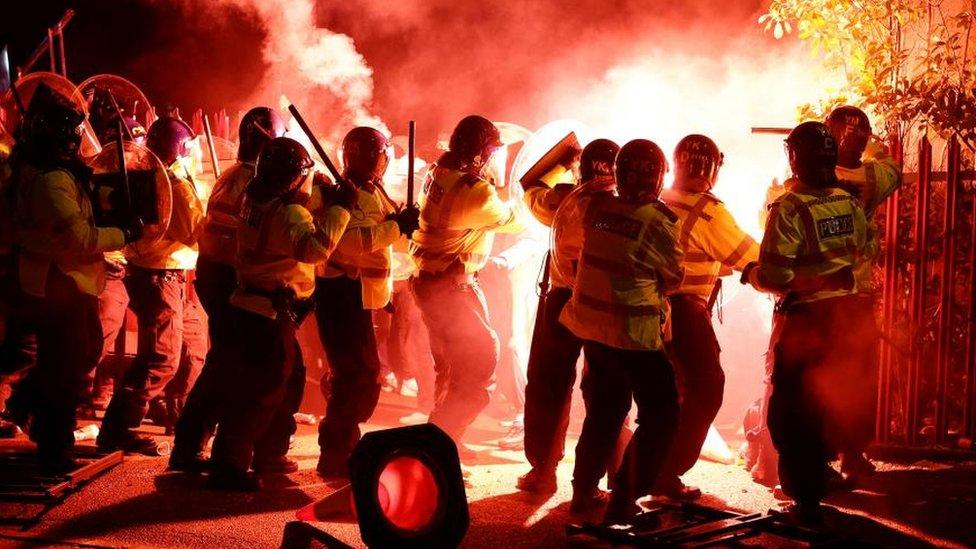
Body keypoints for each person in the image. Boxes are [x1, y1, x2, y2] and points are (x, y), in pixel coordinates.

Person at [7, 83, 140, 473]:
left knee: (79, 356)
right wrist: (124, 234)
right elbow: (78, 238)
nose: (76, 144)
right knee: (64, 373)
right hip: (57, 283)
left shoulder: (50, 172)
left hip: (66, 283)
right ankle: (54, 448)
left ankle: (27, 400)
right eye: (71, 136)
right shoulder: (49, 181)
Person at [742, 121, 869, 522]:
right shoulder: (848, 202)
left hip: (807, 318)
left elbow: (776, 276)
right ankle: (822, 475)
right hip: (846, 316)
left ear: (794, 158)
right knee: (829, 398)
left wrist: (751, 274)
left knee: (793, 409)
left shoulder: (791, 208)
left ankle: (805, 498)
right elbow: (862, 252)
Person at [208, 137, 352, 490]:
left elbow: (292, 216)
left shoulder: (255, 199)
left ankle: (270, 453)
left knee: (287, 383)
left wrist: (319, 198)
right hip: (268, 315)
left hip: (256, 308)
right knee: (260, 392)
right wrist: (340, 209)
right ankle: (229, 467)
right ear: (290, 177)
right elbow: (313, 248)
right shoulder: (288, 212)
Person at [560, 139, 684, 522]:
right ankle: (625, 499)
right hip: (634, 336)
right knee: (661, 413)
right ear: (659, 177)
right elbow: (675, 278)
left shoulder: (597, 208)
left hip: (594, 331)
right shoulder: (658, 221)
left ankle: (583, 494)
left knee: (604, 412)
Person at [170, 106, 286, 471]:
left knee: (225, 361)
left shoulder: (232, 175)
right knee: (229, 365)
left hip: (214, 273)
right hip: (229, 279)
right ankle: (203, 448)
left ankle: (192, 444)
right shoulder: (254, 183)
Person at [409, 115, 524, 452]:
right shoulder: (474, 191)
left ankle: (444, 441)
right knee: (479, 364)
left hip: (436, 285)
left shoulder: (439, 174)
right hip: (452, 289)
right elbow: (512, 220)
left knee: (451, 367)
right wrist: (528, 189)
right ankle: (438, 441)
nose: (493, 158)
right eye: (490, 152)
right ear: (478, 153)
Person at [656, 135, 760, 499]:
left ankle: (646, 469)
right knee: (705, 389)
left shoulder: (658, 198)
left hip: (647, 310)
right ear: (714, 168)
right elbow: (752, 256)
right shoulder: (709, 212)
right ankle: (665, 471)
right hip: (684, 312)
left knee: (665, 394)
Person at [517, 139, 620, 500]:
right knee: (607, 390)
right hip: (604, 304)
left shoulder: (562, 201)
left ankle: (542, 470)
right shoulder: (627, 209)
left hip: (561, 298)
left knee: (548, 383)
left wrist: (562, 159)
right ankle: (605, 477)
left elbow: (530, 186)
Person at [97, 116, 206, 454]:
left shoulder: (142, 175)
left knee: (190, 348)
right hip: (162, 275)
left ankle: (181, 418)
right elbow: (193, 230)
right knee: (160, 357)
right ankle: (119, 428)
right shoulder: (171, 182)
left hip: (158, 273)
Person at [314, 127, 419, 478]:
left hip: (358, 294)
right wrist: (396, 227)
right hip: (342, 293)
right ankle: (334, 450)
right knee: (359, 375)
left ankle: (342, 442)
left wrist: (402, 226)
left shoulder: (371, 190)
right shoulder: (350, 192)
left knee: (356, 373)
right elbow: (350, 245)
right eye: (382, 155)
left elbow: (380, 246)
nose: (385, 161)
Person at [825, 105, 901, 482]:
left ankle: (813, 461)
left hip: (816, 296)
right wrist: (873, 144)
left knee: (813, 378)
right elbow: (891, 163)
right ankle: (852, 455)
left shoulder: (804, 177)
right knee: (856, 379)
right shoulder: (873, 176)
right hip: (856, 293)